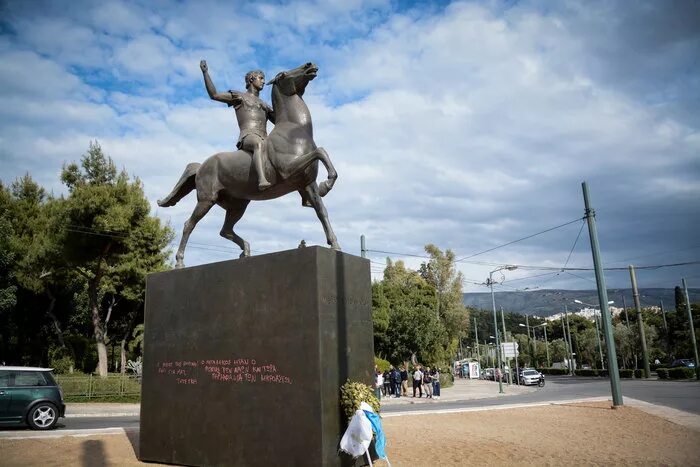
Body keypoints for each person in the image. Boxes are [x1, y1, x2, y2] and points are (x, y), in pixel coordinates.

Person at [200, 60, 275, 191]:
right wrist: (205, 73)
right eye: (261, 78)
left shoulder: (264, 105)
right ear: (252, 79)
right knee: (258, 143)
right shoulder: (239, 96)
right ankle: (261, 179)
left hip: (265, 138)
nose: (263, 81)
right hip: (248, 136)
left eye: (264, 79)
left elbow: (281, 121)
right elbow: (215, 95)